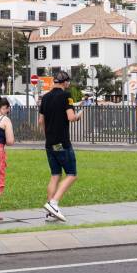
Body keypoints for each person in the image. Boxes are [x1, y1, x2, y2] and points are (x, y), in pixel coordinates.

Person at [38, 71, 83, 222]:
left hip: (49, 143)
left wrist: (48, 134)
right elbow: (71, 117)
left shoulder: (45, 97)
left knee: (55, 175)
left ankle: (51, 211)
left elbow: (40, 121)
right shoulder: (66, 96)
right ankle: (54, 203)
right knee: (72, 174)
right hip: (61, 142)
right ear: (65, 82)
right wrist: (79, 115)